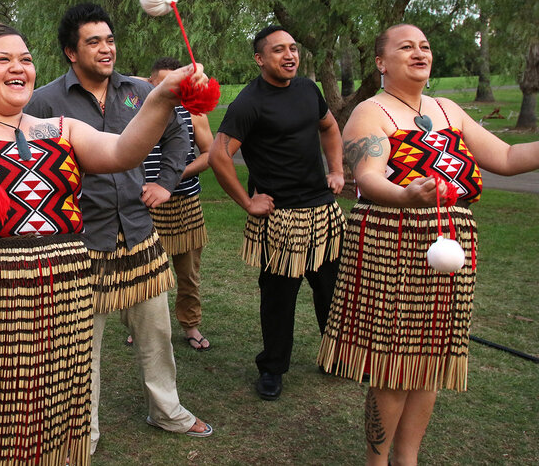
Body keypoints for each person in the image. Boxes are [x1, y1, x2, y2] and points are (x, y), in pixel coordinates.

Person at [0, 21, 208, 466]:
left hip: (61, 299)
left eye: (25, 59)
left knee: (50, 412)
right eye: (3, 59)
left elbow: (124, 151)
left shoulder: (60, 129)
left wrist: (161, 97)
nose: (18, 67)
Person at [317, 24, 539, 465]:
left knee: (430, 363)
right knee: (394, 367)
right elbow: (368, 178)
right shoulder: (371, 112)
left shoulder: (448, 109)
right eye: (406, 47)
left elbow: (507, 158)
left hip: (452, 246)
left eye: (425, 46)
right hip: (392, 243)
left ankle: (408, 460)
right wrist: (406, 196)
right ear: (381, 62)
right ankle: (377, 462)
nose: (419, 53)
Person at [25, 4, 213, 455]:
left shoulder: (141, 92)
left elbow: (177, 134)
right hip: (82, 243)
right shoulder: (44, 102)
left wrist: (166, 182)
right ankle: (82, 433)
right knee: (80, 348)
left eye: (109, 39)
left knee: (156, 335)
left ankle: (167, 411)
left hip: (139, 233)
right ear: (71, 52)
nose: (106, 48)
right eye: (93, 41)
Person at [208, 25, 345, 401]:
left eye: (293, 48)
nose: (290, 55)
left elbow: (329, 127)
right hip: (281, 220)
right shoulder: (249, 102)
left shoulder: (308, 90)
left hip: (322, 213)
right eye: (279, 50)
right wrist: (247, 202)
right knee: (279, 300)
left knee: (332, 291)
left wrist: (337, 170)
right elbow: (219, 155)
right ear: (260, 59)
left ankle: (336, 356)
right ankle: (272, 368)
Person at [143, 57, 214, 351]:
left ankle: (191, 324)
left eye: (176, 83)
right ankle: (144, 328)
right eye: (162, 83)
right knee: (145, 273)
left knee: (188, 274)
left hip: (185, 202)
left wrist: (173, 176)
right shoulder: (137, 110)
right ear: (150, 83)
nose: (170, 89)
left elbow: (209, 154)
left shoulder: (193, 111)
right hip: (146, 205)